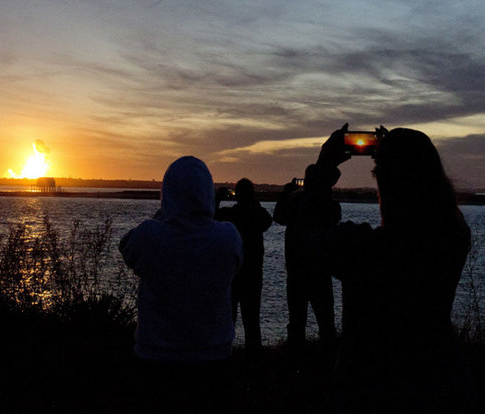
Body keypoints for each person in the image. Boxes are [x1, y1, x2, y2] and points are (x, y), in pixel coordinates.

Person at [306, 124, 473, 412]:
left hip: (369, 389)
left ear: (384, 183)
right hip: (440, 382)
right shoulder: (454, 239)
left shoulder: (361, 248)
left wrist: (324, 166)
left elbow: (305, 239)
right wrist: (398, 153)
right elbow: (439, 211)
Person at [119, 156, 243, 411]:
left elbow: (126, 247)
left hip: (156, 360)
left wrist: (162, 217)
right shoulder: (228, 237)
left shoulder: (150, 236)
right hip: (215, 359)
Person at [273, 165, 340, 350]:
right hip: (318, 270)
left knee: (297, 321)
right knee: (325, 321)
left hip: (299, 270)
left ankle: (298, 359)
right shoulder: (325, 203)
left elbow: (278, 216)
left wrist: (286, 194)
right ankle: (327, 357)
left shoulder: (298, 201)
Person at [216, 178, 273, 356]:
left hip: (233, 275)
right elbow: (267, 219)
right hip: (252, 276)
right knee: (252, 322)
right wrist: (254, 203)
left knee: (228, 320)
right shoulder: (258, 214)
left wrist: (217, 198)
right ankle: (253, 359)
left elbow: (210, 216)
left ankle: (224, 355)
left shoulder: (231, 215)